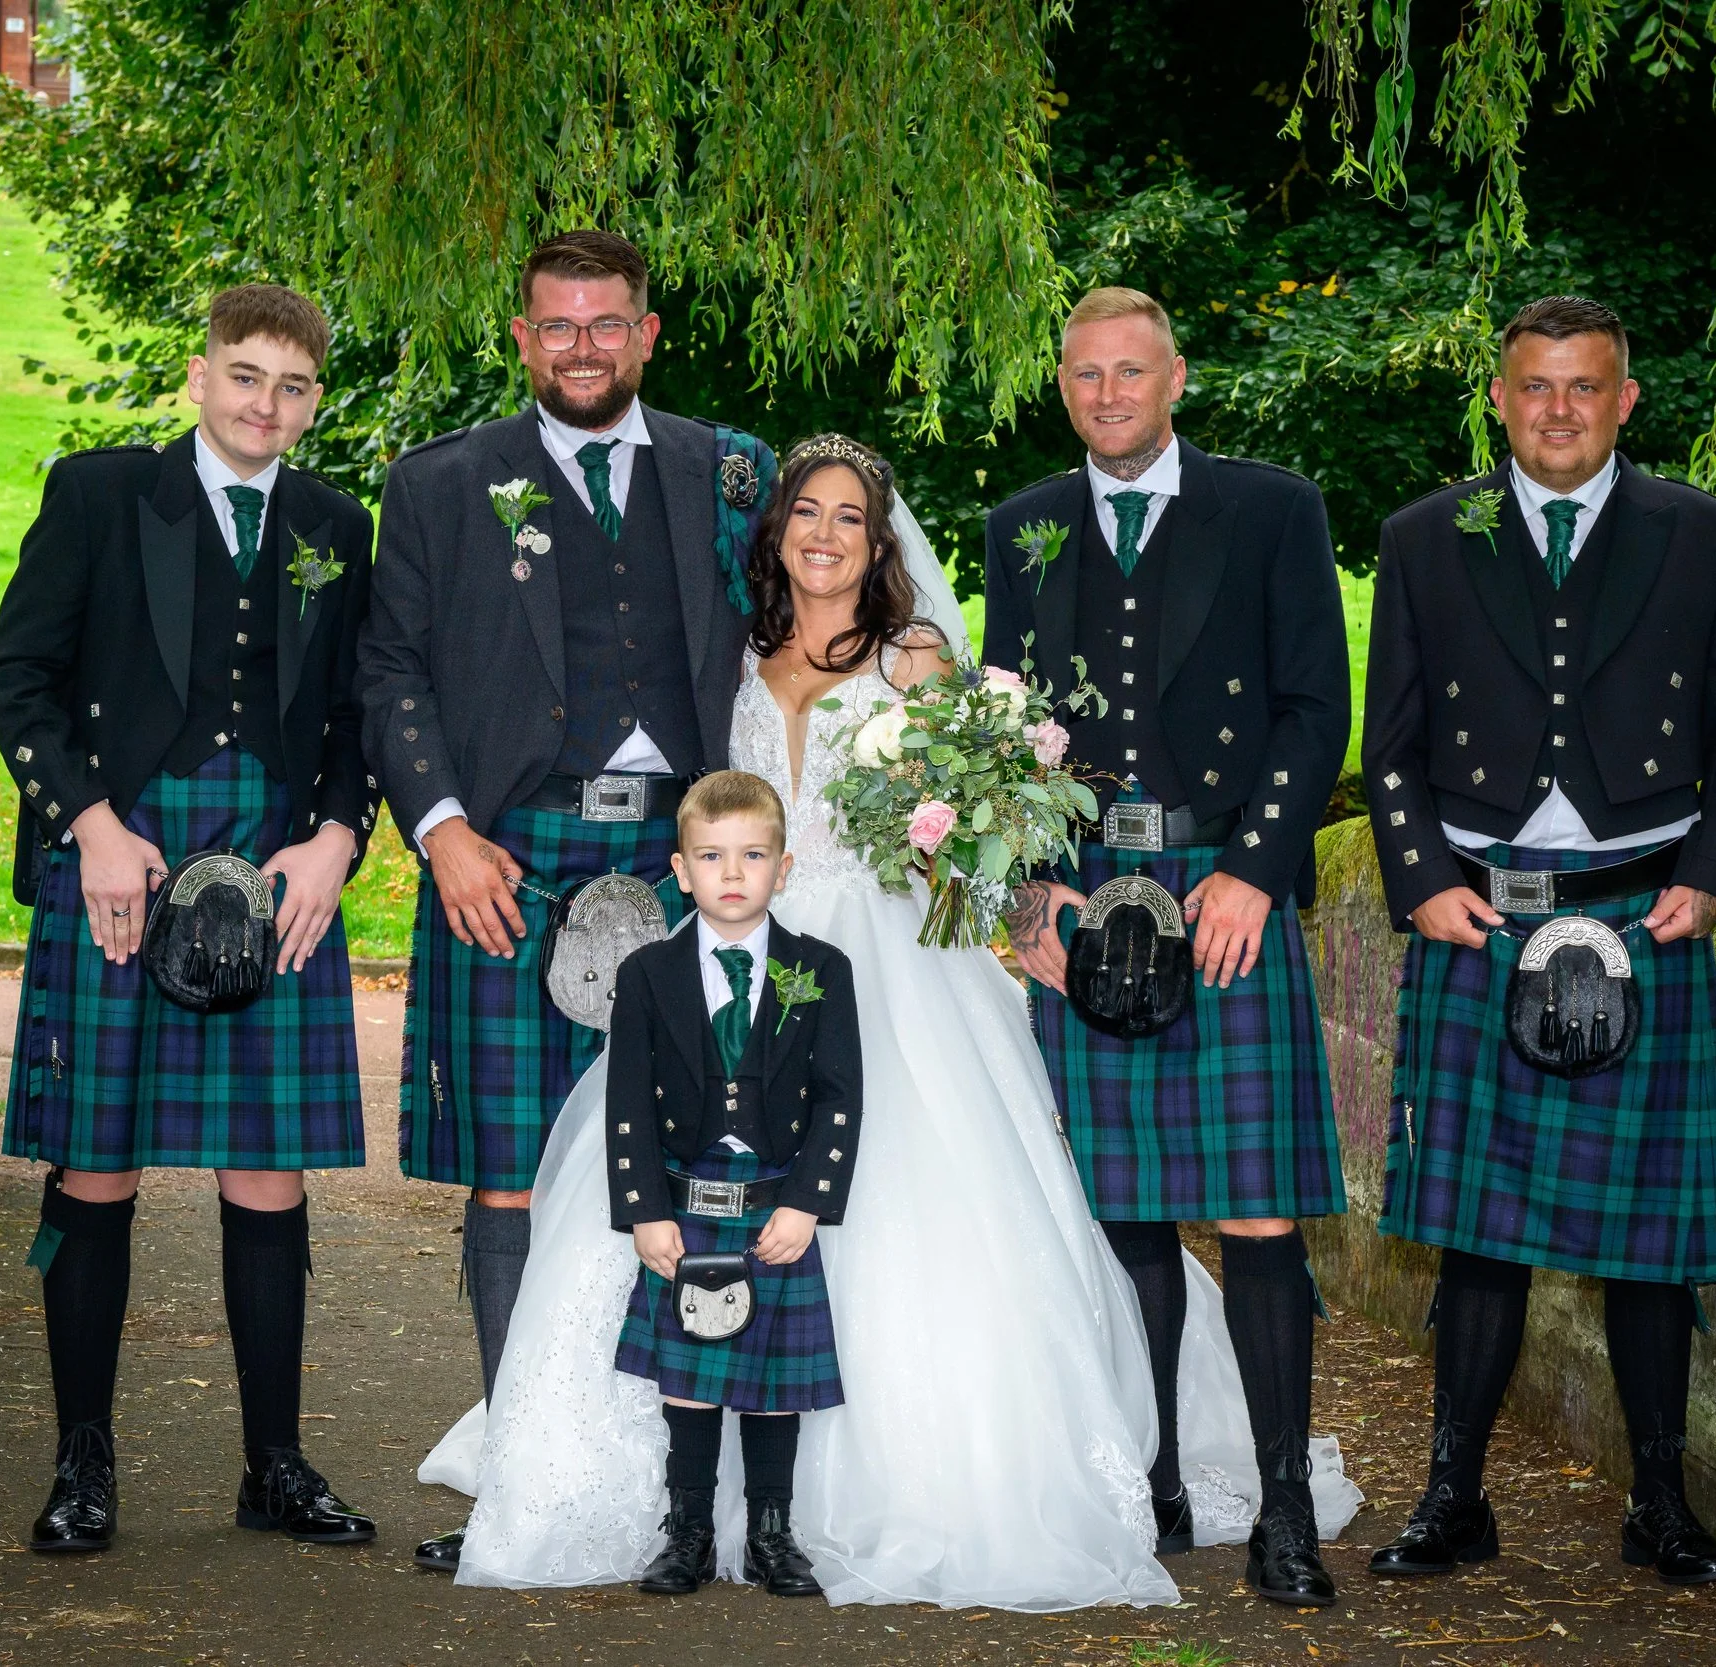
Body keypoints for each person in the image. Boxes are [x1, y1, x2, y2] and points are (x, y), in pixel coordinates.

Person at [421, 434, 1356, 1609]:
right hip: (744, 952)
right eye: (805, 512)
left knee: (917, 1208)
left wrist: (992, 884)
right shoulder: (736, 653)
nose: (823, 532)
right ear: (777, 534)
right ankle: (687, 1493)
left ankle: (910, 1485)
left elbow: (982, 814)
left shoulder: (916, 662)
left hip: (893, 964)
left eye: (850, 517)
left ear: (879, 539)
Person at [353, 230, 775, 1571]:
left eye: (608, 324)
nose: (583, 346)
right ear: (523, 336)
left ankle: (686, 1489)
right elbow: (390, 669)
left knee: (708, 1169)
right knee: (511, 1179)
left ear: (647, 333)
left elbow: (820, 614)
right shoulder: (437, 484)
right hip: (509, 863)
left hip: (693, 857)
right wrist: (442, 830)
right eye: (558, 325)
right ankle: (526, 1479)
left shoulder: (735, 472)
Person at [1359, 294, 1716, 1585]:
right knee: (1478, 1228)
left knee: (1652, 1232)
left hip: (1642, 903)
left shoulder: (1702, 535)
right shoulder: (1428, 536)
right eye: (1535, 386)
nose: (1558, 409)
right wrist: (1419, 877)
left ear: (1626, 398)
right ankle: (1450, 1496)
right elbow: (1394, 747)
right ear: (1498, 395)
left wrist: (1713, 872)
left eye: (1584, 387)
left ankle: (1660, 1501)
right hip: (1484, 912)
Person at [0, 283, 380, 1553]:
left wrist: (336, 835)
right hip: (123, 853)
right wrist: (90, 824)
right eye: (248, 375)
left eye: (295, 386)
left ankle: (275, 1463)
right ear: (200, 377)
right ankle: (82, 1465)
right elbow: (18, 676)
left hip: (274, 864)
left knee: (266, 1170)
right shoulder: (102, 494)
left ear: (316, 401)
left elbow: (357, 711)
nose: (269, 404)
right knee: (96, 1163)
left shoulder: (332, 521)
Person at [983, 287, 1355, 1607]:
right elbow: (999, 725)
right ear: (1066, 382)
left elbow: (1318, 707)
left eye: (1130, 372)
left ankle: (1286, 1510)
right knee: (1120, 1206)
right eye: (1085, 374)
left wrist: (1256, 867)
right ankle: (1150, 1485)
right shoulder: (1021, 525)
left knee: (1256, 1211)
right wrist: (1029, 887)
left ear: (1176, 376)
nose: (1107, 394)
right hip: (1086, 887)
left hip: (1220, 880)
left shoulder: (1269, 509)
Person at [603, 769, 862, 1597]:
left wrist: (807, 1203)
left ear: (783, 868)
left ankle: (771, 1532)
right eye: (712, 856)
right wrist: (644, 1213)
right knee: (689, 1380)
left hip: (775, 1205)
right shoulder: (647, 973)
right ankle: (687, 1532)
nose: (733, 872)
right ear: (681, 869)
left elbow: (840, 1097)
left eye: (753, 854)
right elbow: (628, 1108)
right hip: (686, 1203)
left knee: (774, 1385)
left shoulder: (820, 967)